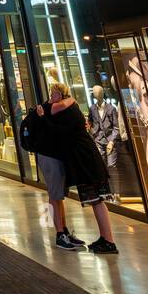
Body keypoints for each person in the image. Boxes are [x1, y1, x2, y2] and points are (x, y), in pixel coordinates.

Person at [37, 80, 117, 254]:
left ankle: (106, 240)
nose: (51, 98)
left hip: (85, 162)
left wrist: (43, 116)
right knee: (92, 200)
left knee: (95, 200)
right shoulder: (71, 108)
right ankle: (102, 237)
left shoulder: (65, 110)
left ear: (59, 95)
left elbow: (56, 129)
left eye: (53, 94)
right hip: (84, 161)